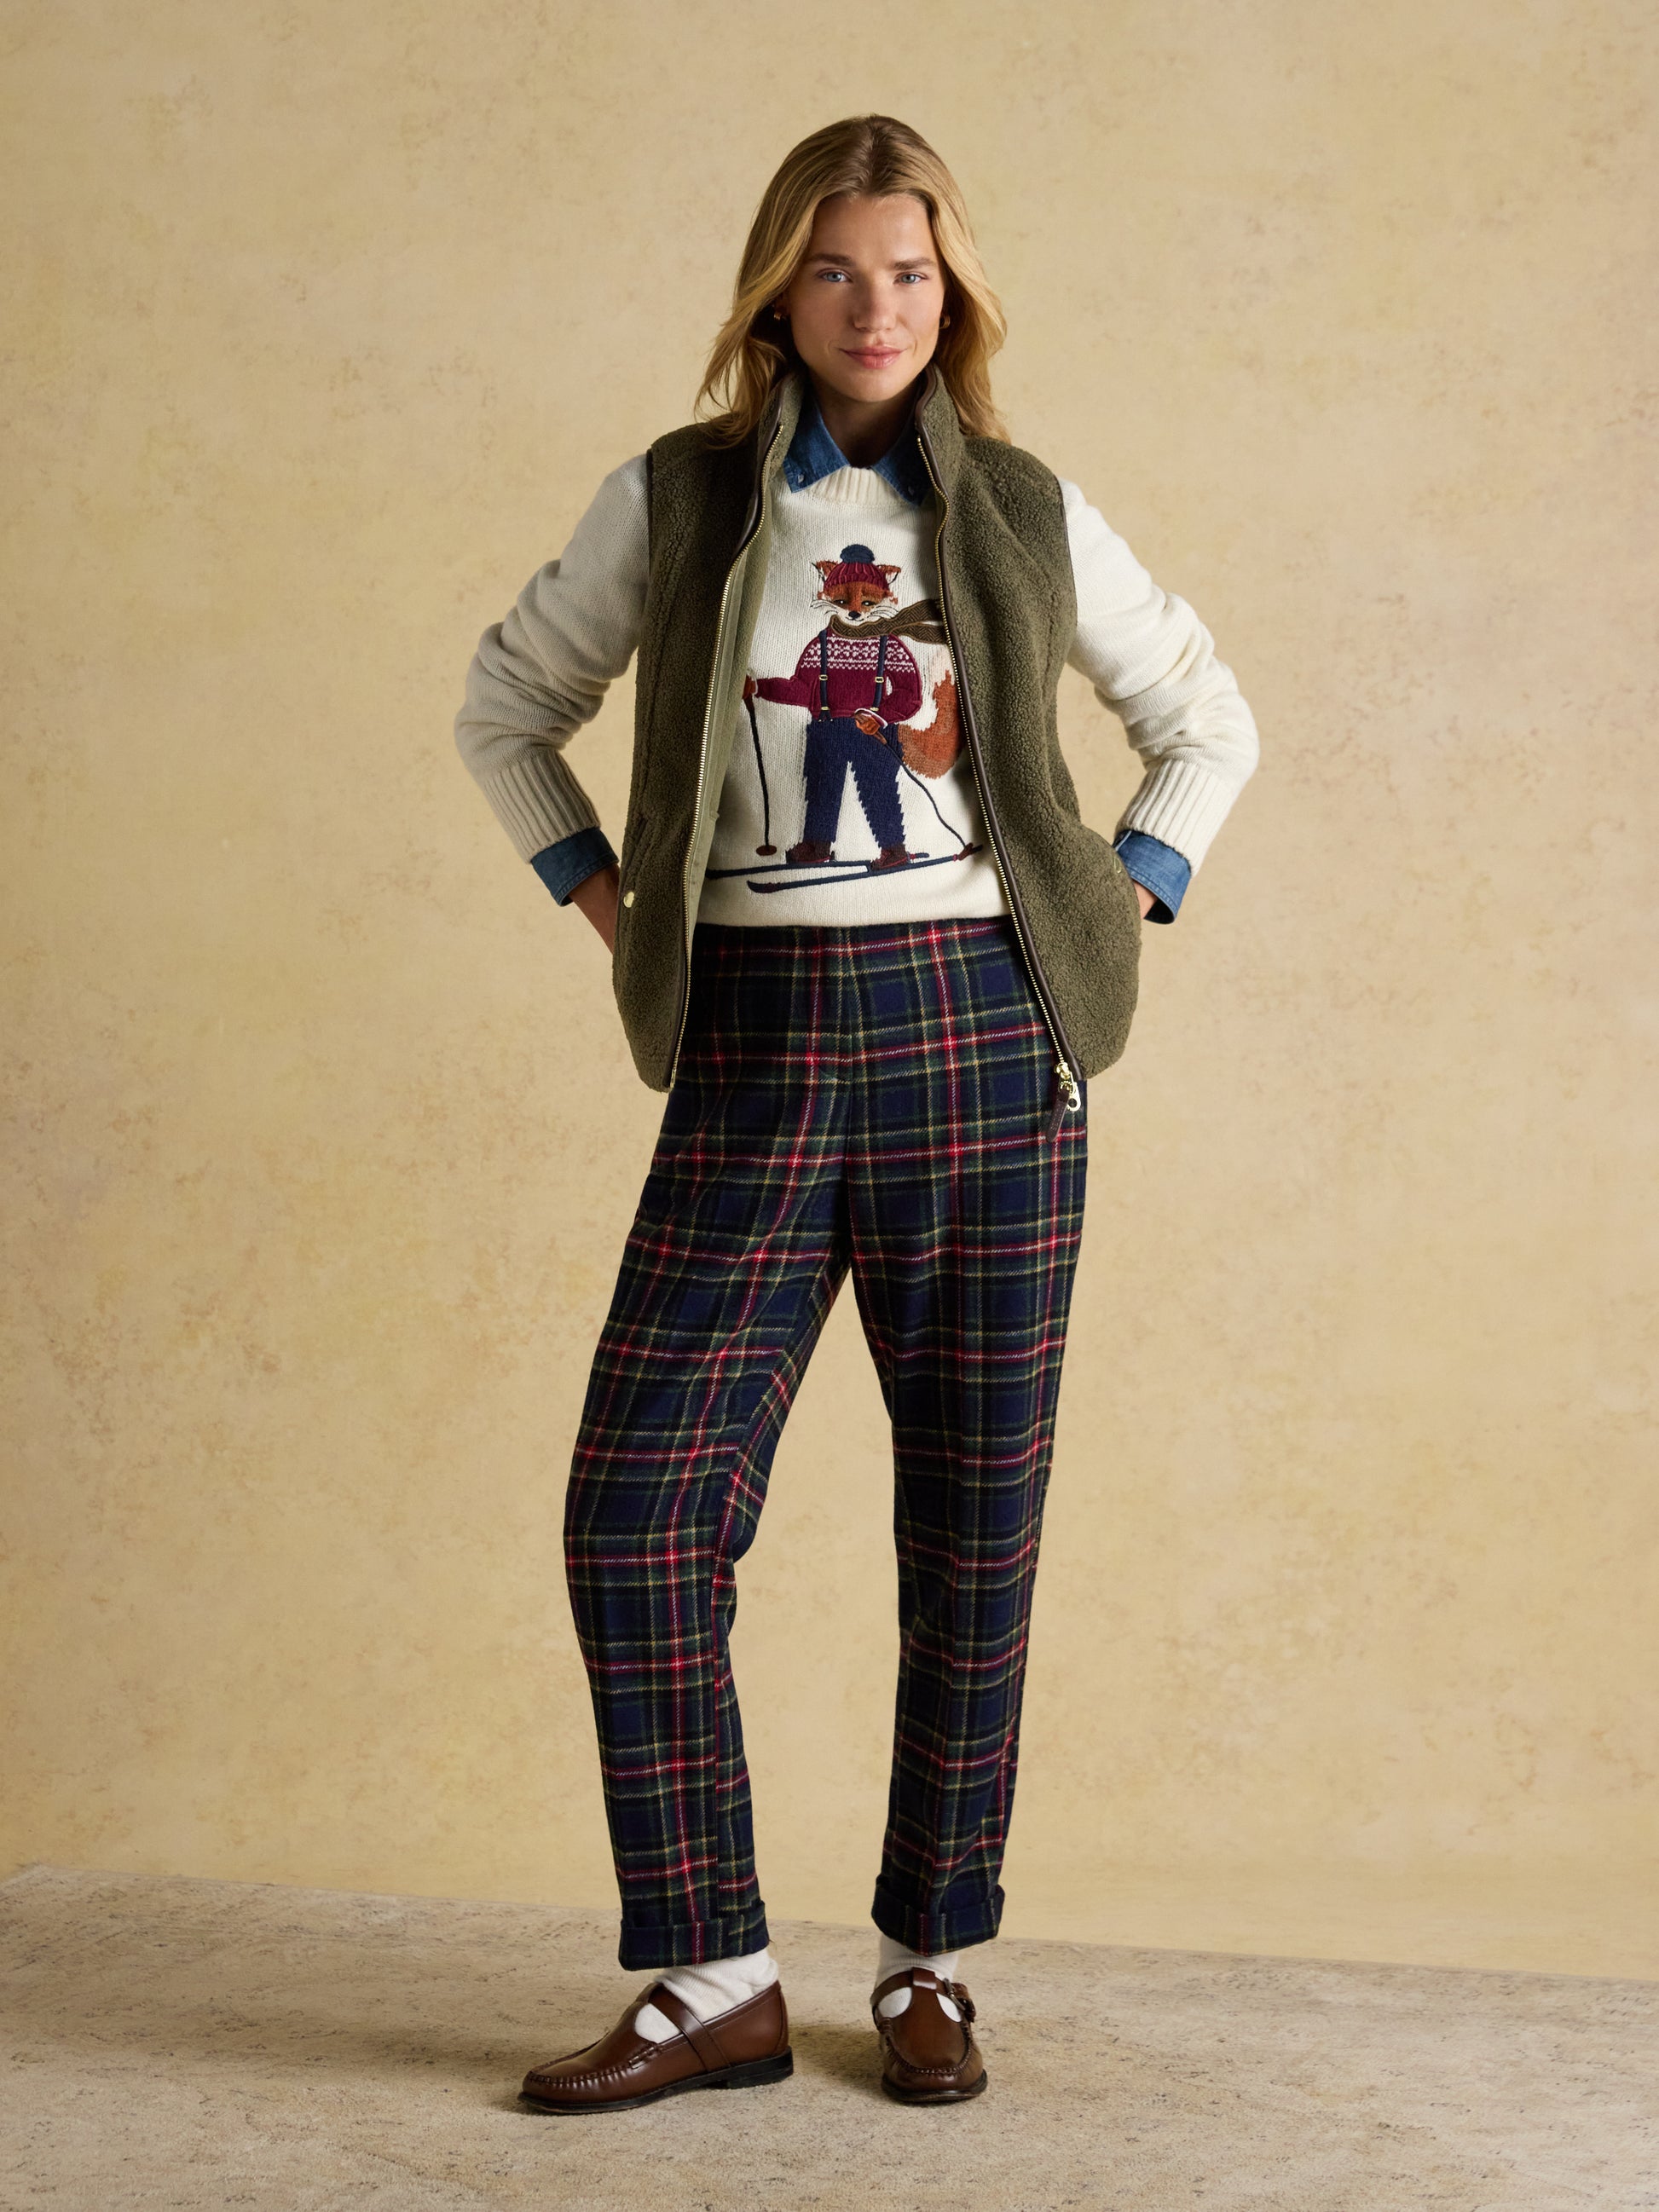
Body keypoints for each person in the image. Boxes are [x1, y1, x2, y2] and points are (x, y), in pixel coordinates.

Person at [454, 113, 1258, 2112]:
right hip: (753, 1044)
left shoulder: (1024, 508)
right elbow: (506, 703)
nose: (872, 305)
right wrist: (618, 905)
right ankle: (715, 1970)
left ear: (950, 291)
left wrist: (1119, 899)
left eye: (906, 270)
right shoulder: (681, 497)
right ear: (775, 291)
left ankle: (929, 1959)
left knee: (974, 1519)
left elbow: (1201, 718)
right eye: (832, 269)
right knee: (638, 1513)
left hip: (984, 1048)